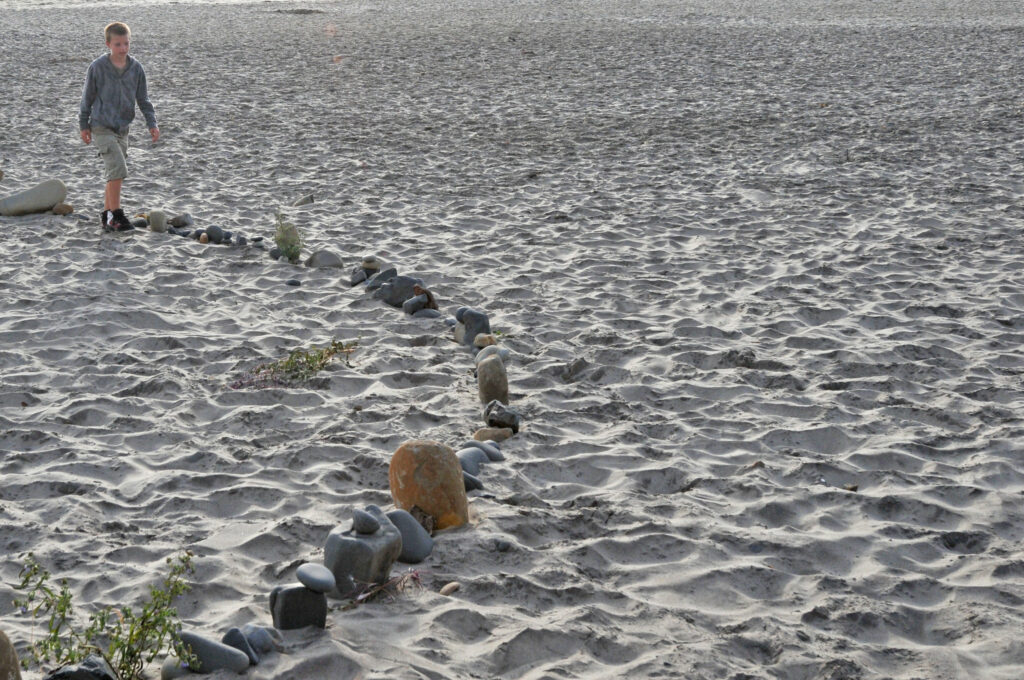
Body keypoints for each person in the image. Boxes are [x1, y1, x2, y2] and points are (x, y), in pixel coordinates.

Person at [79, 21, 159, 232]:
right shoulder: (97, 67)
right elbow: (87, 98)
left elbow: (143, 99)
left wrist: (152, 123)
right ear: (108, 44)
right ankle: (117, 215)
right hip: (101, 127)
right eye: (118, 44)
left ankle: (106, 216)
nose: (123, 48)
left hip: (123, 128)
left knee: (114, 173)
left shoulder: (136, 69)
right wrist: (83, 125)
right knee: (118, 169)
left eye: (126, 43)